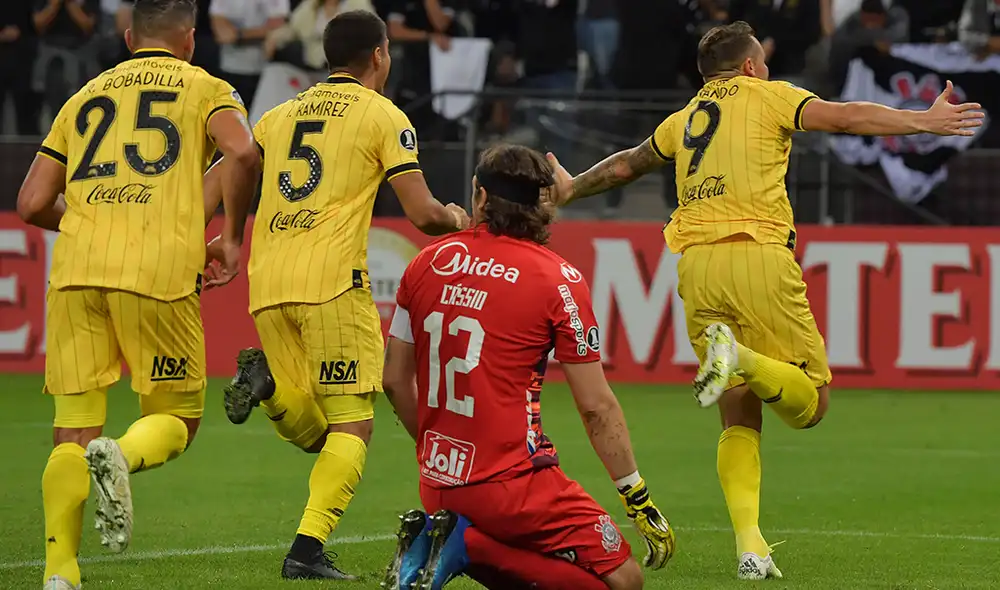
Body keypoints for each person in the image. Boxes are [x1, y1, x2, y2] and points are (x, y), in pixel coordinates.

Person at [545, 20, 983, 580]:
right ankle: (744, 358)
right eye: (765, 64)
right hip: (757, 252)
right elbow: (846, 116)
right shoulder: (770, 96)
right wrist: (923, 120)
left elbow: (630, 162)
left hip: (697, 266)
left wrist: (572, 187)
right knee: (813, 406)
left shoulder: (684, 120)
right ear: (750, 66)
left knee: (738, 412)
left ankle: (750, 547)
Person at [202, 9, 468, 581]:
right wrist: (457, 218)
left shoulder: (277, 115)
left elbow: (222, 175)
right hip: (331, 283)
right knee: (353, 424)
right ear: (379, 54)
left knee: (315, 432)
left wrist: (223, 238)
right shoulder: (384, 115)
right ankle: (305, 552)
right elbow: (422, 213)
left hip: (269, 283)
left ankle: (269, 388)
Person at [15, 0, 260, 589]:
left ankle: (59, 575)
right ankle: (121, 456)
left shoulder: (85, 96)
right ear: (191, 39)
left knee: (71, 428)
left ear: (128, 37)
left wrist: (90, 224)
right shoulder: (206, 88)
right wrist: (230, 237)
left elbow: (30, 203)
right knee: (177, 416)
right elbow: (244, 151)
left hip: (75, 269)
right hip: (156, 269)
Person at [379, 144, 675, 590]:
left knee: (519, 561)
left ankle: (451, 542)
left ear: (479, 197)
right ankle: (465, 546)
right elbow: (596, 408)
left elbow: (394, 380)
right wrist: (636, 495)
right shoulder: (557, 279)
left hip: (437, 483)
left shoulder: (426, 263)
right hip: (512, 485)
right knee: (625, 579)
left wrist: (440, 451)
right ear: (544, 205)